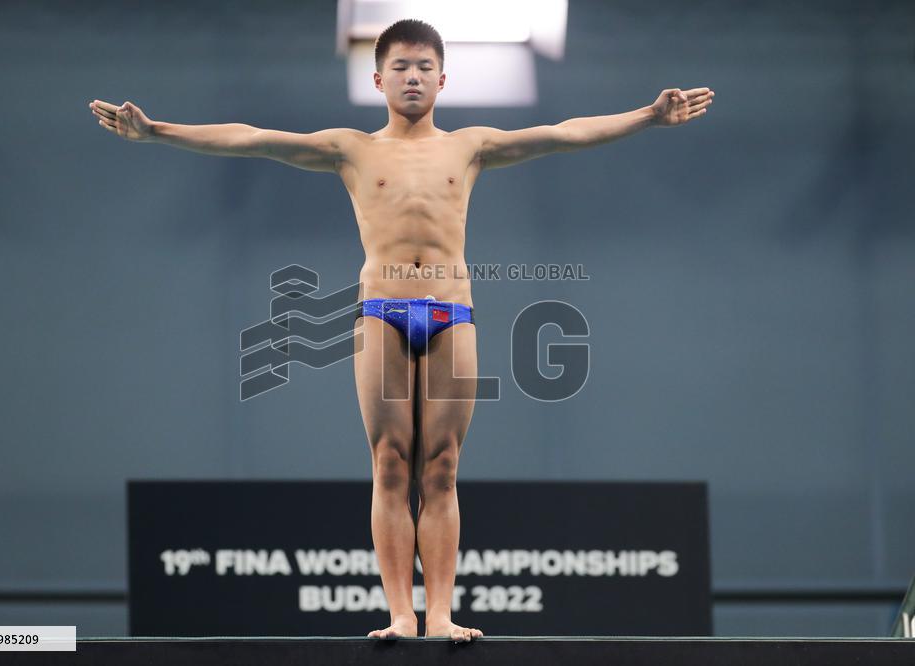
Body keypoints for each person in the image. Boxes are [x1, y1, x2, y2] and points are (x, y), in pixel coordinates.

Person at [89, 18, 713, 642]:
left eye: (423, 68)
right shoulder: (351, 148)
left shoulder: (469, 145)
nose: (412, 77)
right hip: (382, 312)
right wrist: (156, 131)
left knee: (441, 468)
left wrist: (647, 116)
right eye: (400, 68)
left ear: (442, 79)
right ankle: (399, 615)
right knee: (390, 464)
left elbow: (563, 133)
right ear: (378, 77)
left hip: (451, 312)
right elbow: (251, 138)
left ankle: (439, 613)